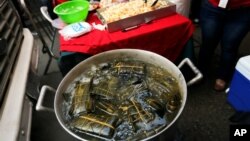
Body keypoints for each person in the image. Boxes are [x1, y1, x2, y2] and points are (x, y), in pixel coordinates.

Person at [198, 0, 250, 91]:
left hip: (243, 10)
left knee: (230, 45)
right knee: (208, 41)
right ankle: (200, 71)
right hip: (213, 6)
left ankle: (223, 75)